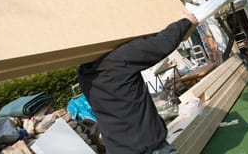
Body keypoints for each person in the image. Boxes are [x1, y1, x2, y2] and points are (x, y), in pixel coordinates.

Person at [78, 12, 198, 154]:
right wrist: (186, 21)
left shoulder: (84, 73)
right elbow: (161, 44)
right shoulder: (119, 58)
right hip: (148, 147)